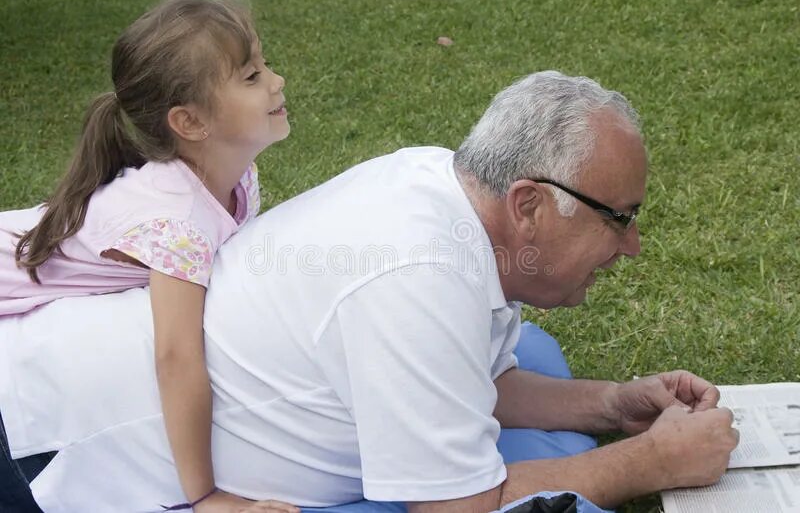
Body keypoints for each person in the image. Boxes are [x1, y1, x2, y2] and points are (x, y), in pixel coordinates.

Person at [0, 71, 739, 512]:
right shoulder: (417, 275)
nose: (633, 245)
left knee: (535, 357)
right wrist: (650, 464)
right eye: (620, 219)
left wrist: (615, 403)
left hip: (61, 383)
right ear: (528, 204)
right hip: (51, 452)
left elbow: (476, 379)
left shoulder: (449, 191)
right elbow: (454, 507)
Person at [0, 0, 298, 513]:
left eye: (264, 65)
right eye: (251, 77)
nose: (276, 81)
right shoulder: (177, 223)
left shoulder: (234, 178)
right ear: (190, 124)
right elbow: (176, 358)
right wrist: (205, 495)